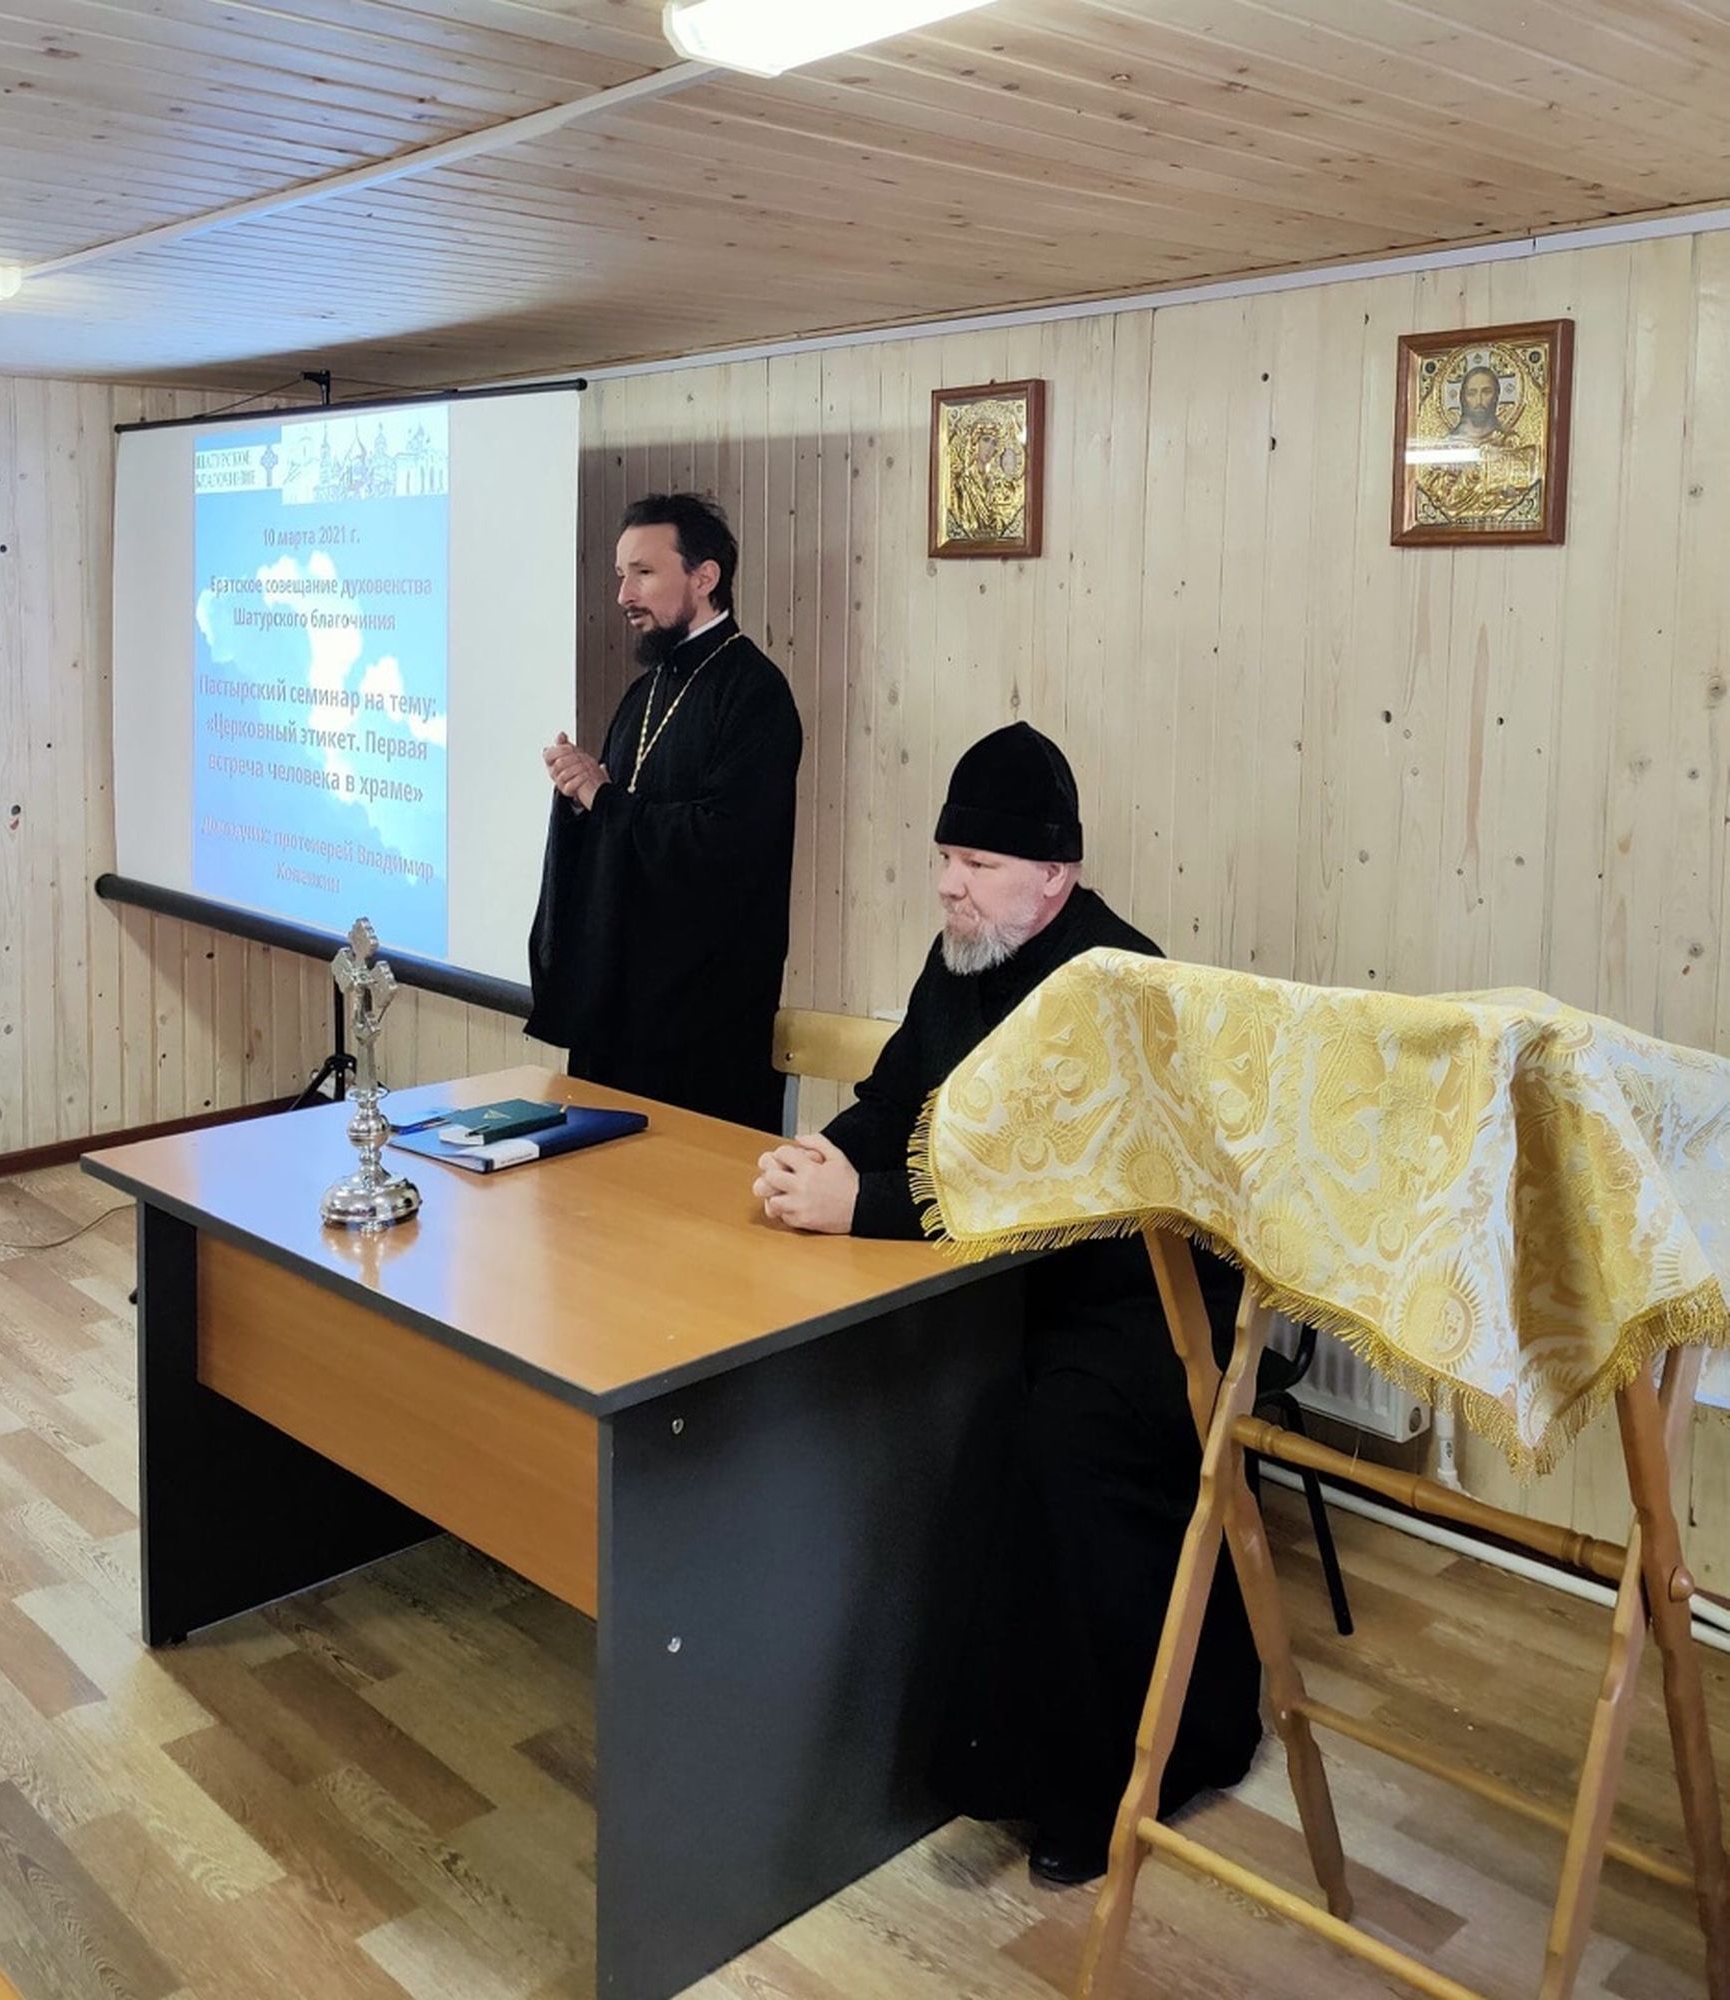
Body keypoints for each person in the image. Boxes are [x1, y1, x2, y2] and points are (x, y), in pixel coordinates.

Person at [752, 721, 1263, 1884]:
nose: (950, 883)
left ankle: (1103, 1781)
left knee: (1046, 1442)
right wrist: (819, 1158)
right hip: (1012, 1273)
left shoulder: (1113, 982)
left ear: (1055, 875)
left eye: (978, 863)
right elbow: (897, 1102)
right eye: (945, 857)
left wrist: (866, 1207)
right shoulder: (963, 955)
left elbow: (1054, 1186)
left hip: (1146, 1299)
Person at [527, 494, 802, 1131]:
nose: (624, 594)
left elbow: (728, 846)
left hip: (703, 1014)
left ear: (704, 578)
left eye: (643, 573)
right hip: (618, 1001)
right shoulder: (644, 691)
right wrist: (578, 800)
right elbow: (615, 822)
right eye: (621, 575)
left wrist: (604, 800)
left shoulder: (754, 694)